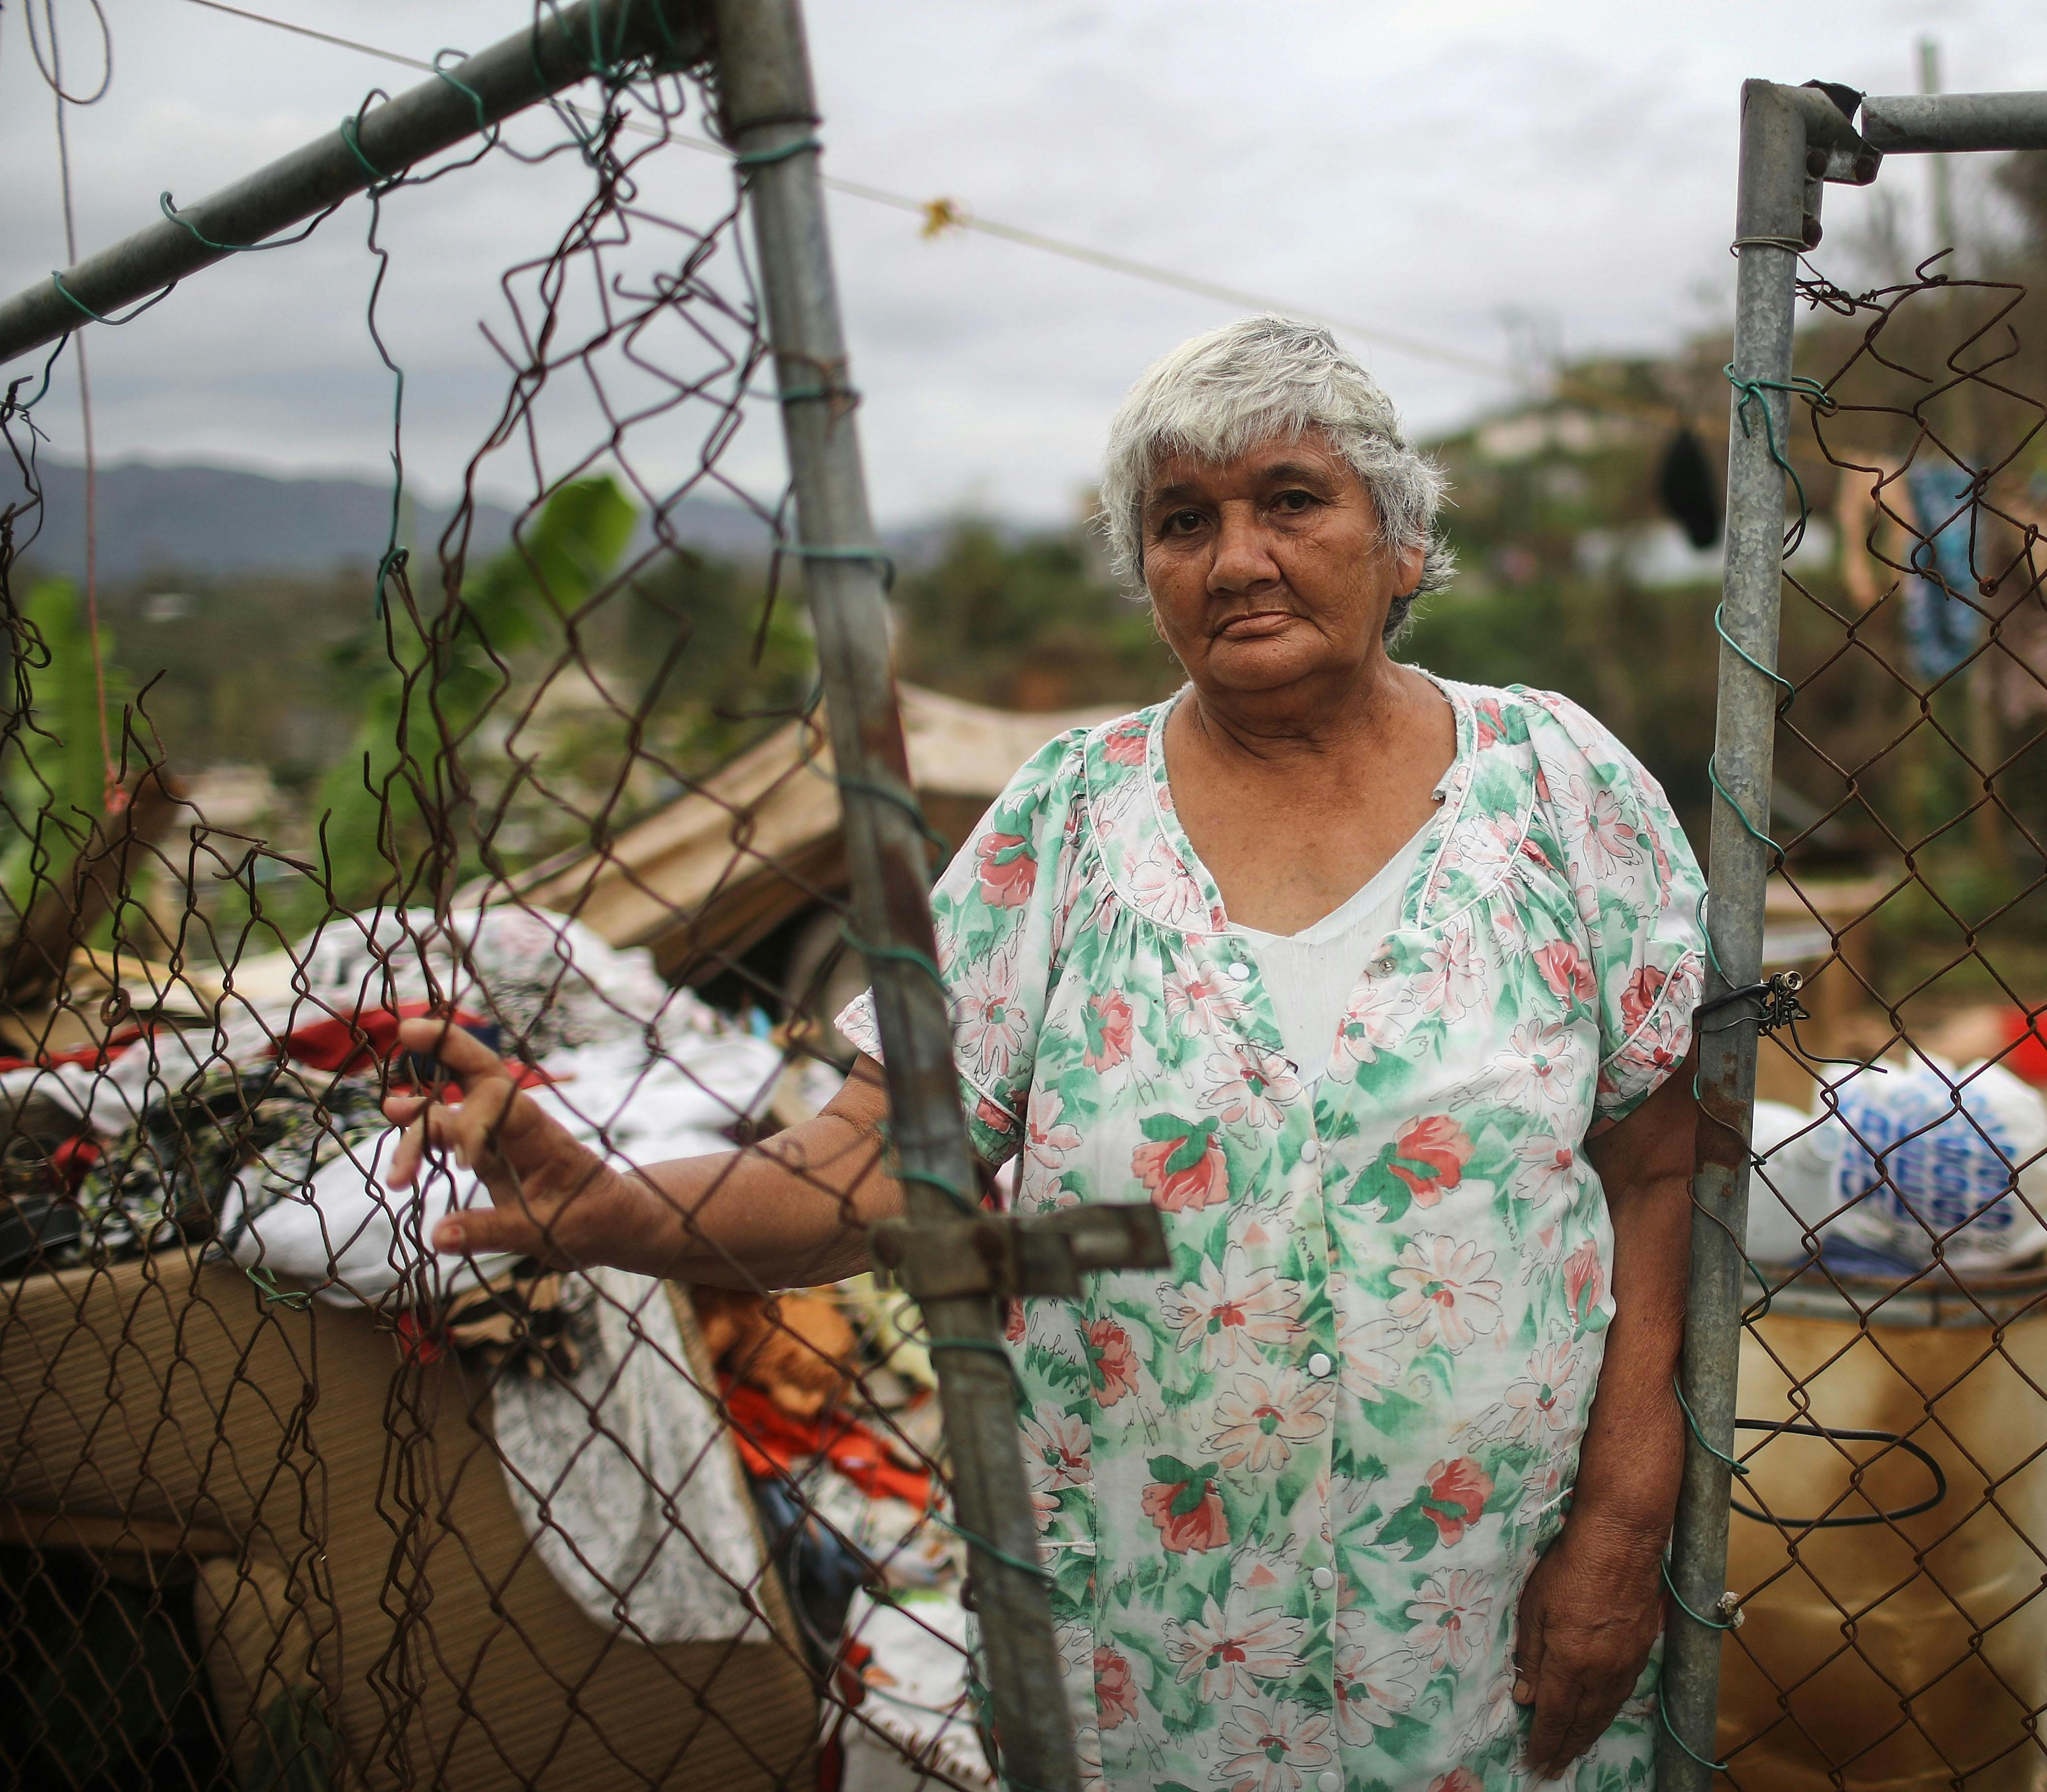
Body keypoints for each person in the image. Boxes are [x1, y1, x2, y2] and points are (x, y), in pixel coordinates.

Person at [384, 315, 1710, 1791]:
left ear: (1401, 544)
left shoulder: (1555, 784)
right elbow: (872, 1165)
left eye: (1291, 500)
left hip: (1486, 1612)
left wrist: (1624, 1514)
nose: (1237, 559)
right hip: (1150, 1640)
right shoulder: (1068, 820)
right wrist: (619, 1209)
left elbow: (1658, 1166)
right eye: (1182, 521)